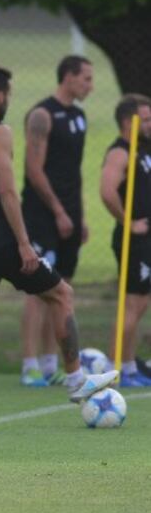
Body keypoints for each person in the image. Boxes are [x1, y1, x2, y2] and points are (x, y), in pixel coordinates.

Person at [0, 66, 118, 427]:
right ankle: (76, 379)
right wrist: (24, 244)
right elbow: (8, 191)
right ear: (0, 95)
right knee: (61, 293)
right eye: (8, 93)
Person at [19, 56, 93, 387]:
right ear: (68, 77)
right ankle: (29, 364)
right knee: (38, 290)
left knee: (61, 288)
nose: (90, 86)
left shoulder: (79, 116)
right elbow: (33, 169)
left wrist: (80, 215)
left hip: (70, 214)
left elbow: (74, 172)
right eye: (86, 78)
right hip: (42, 215)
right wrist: (59, 211)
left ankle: (51, 364)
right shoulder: (42, 115)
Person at [99, 95, 151, 387]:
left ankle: (129, 366)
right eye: (145, 119)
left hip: (146, 240)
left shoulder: (140, 151)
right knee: (131, 304)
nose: (150, 124)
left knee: (141, 303)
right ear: (128, 122)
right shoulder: (120, 152)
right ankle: (114, 368)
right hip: (134, 241)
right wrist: (128, 222)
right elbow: (107, 190)